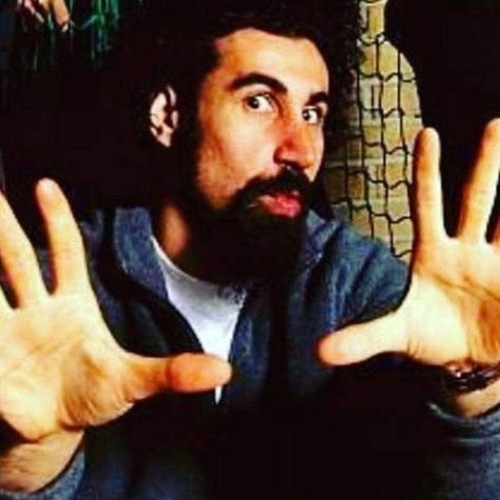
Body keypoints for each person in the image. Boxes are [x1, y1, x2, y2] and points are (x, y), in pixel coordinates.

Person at [1, 1, 500, 498]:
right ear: (168, 116)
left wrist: (473, 393)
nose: (300, 149)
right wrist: (29, 469)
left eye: (312, 113)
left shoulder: (351, 282)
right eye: (259, 102)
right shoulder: (50, 303)